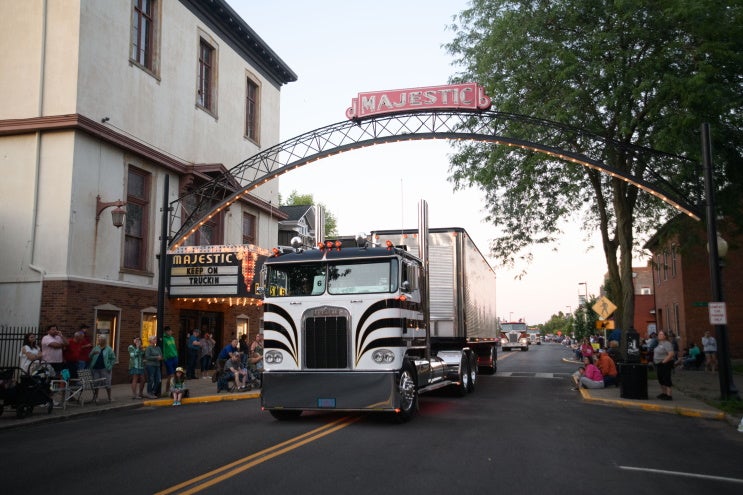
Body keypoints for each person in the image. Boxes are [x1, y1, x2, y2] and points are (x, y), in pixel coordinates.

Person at [88, 335, 115, 403]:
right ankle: (96, 397)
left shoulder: (108, 349)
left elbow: (113, 358)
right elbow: (89, 356)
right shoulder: (96, 348)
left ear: (104, 340)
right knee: (96, 383)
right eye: (98, 339)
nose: (98, 341)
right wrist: (93, 353)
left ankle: (109, 397)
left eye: (100, 339)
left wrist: (110, 366)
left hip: (105, 368)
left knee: (107, 382)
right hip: (95, 368)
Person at [653, 330, 675, 400]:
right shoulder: (659, 343)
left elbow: (671, 354)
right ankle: (664, 393)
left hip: (665, 364)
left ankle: (669, 395)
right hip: (659, 364)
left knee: (666, 378)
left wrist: (664, 362)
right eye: (659, 334)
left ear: (665, 336)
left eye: (661, 334)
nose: (659, 335)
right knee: (660, 379)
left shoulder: (667, 343)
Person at [162, 326, 178, 394]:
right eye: (170, 331)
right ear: (166, 331)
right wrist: (164, 358)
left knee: (172, 375)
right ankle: (172, 390)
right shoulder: (163, 339)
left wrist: (176, 355)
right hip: (168, 359)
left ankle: (167, 390)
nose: (171, 332)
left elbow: (174, 347)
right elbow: (163, 349)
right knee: (171, 375)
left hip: (174, 357)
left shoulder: (172, 338)